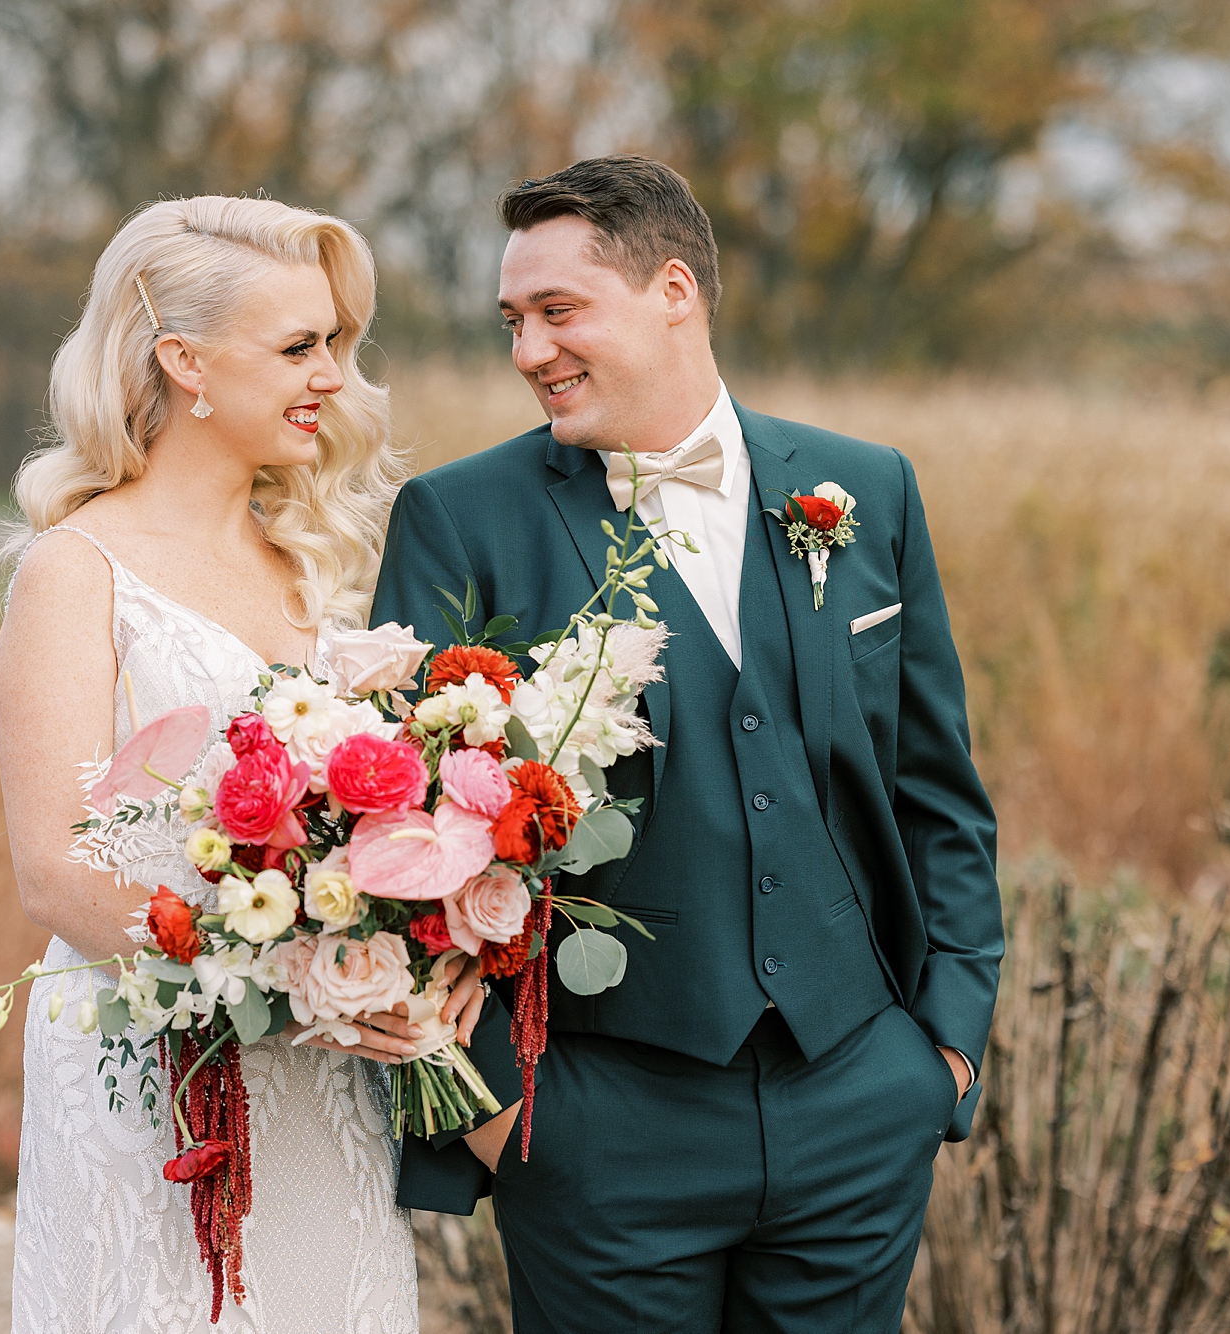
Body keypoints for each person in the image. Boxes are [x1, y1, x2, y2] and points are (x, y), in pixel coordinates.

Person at [372, 156, 1005, 1332]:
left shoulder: (864, 487)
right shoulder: (460, 521)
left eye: (559, 313)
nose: (528, 352)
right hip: (594, 1128)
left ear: (674, 291)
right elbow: (392, 848)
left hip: (856, 1102)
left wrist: (944, 1055)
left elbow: (939, 795)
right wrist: (494, 1113)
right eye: (513, 321)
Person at [0, 195, 481, 1333]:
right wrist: (294, 978)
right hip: (153, 1059)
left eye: (339, 346)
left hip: (326, 1072)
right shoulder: (75, 570)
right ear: (184, 361)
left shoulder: (326, 563)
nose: (334, 379)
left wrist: (423, 952)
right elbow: (52, 872)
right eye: (300, 346)